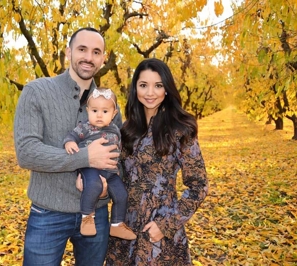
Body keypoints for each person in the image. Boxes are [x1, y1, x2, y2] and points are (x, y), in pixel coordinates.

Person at [14, 27, 122, 266]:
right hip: (48, 213)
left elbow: (118, 158)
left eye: (96, 52)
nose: (88, 57)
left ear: (103, 58)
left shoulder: (109, 104)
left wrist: (105, 187)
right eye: (82, 49)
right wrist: (84, 158)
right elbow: (27, 152)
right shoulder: (37, 91)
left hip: (97, 213)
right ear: (68, 52)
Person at [105, 58, 209, 265]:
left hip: (160, 233)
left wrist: (166, 224)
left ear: (167, 89)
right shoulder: (126, 130)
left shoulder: (180, 129)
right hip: (124, 229)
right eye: (143, 85)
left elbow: (199, 185)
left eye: (158, 85)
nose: (150, 93)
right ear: (135, 89)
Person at [63, 87, 136, 240]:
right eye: (94, 111)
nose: (99, 116)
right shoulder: (86, 127)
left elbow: (119, 148)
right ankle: (87, 217)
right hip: (91, 168)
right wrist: (70, 142)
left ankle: (117, 224)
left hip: (110, 171)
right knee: (94, 186)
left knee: (122, 194)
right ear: (87, 110)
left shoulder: (115, 129)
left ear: (114, 113)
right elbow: (73, 135)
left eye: (105, 111)